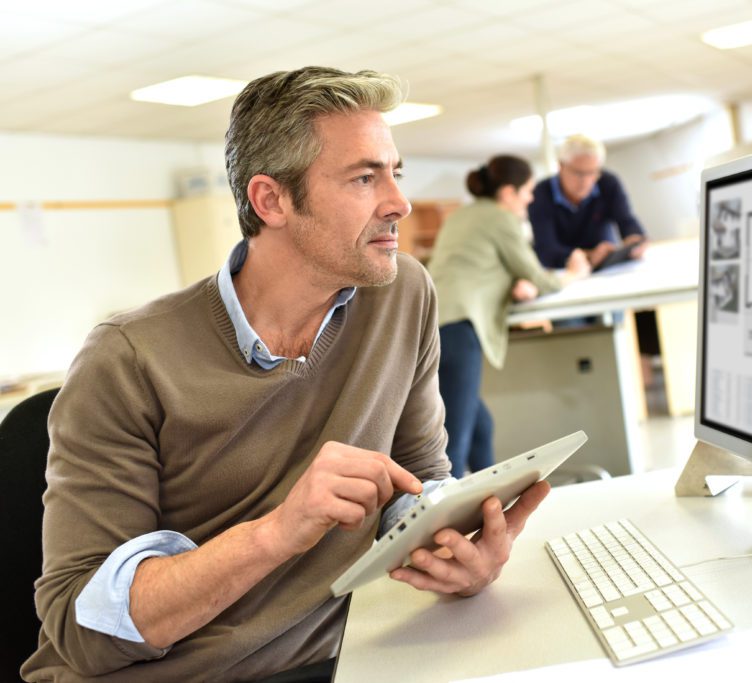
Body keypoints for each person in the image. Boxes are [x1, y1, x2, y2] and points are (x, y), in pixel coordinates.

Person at [23, 67, 551, 683]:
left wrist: (458, 551)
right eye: (364, 177)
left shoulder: (402, 293)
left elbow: (419, 480)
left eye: (394, 172)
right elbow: (83, 633)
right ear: (270, 200)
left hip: (341, 658)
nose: (399, 202)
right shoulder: (128, 359)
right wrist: (276, 533)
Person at [428, 155, 590, 478]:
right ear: (507, 193)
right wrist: (574, 274)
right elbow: (540, 277)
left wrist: (515, 282)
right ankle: (447, 522)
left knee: (480, 427)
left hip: (432, 327)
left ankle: (491, 503)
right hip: (459, 330)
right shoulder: (501, 219)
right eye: (526, 191)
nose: (530, 198)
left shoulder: (462, 216)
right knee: (453, 447)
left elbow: (480, 266)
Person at [528, 133, 648, 270]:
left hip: (608, 266)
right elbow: (546, 250)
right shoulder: (540, 194)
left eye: (592, 172)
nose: (586, 181)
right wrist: (589, 256)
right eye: (579, 173)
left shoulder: (608, 183)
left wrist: (634, 241)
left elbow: (626, 220)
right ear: (561, 166)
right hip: (565, 271)